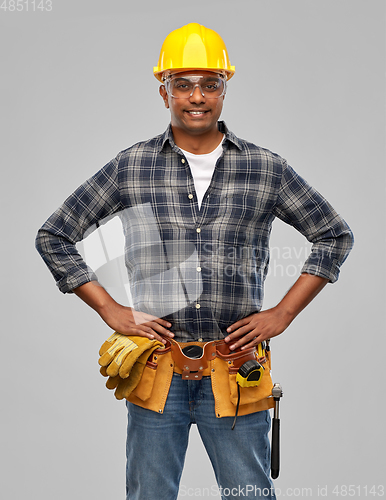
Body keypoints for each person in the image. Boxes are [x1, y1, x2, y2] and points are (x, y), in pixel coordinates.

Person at [35, 23, 353, 500]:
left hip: (237, 369)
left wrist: (282, 313)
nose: (196, 96)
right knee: (150, 496)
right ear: (163, 90)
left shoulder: (264, 168)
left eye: (210, 84)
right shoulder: (132, 166)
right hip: (156, 371)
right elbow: (54, 235)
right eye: (182, 84)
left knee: (249, 495)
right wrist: (110, 310)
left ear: (225, 88)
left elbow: (333, 235)